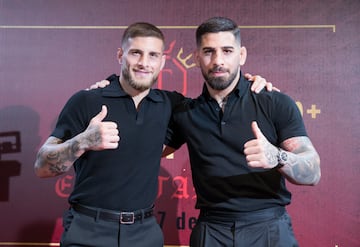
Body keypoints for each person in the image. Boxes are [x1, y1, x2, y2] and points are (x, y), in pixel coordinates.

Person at [34, 22, 271, 247]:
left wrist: (252, 84)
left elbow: (220, 97)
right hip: (88, 228)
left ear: (162, 61)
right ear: (120, 55)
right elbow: (42, 166)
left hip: (144, 232)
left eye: (153, 55)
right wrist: (82, 141)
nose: (143, 63)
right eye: (135, 53)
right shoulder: (86, 101)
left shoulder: (172, 105)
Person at [163, 17, 321, 247]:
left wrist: (276, 156)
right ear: (196, 58)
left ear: (242, 55)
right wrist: (110, 89)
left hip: (268, 228)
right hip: (211, 229)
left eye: (227, 51)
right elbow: (146, 150)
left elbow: (313, 172)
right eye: (209, 51)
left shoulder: (274, 102)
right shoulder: (186, 113)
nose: (218, 61)